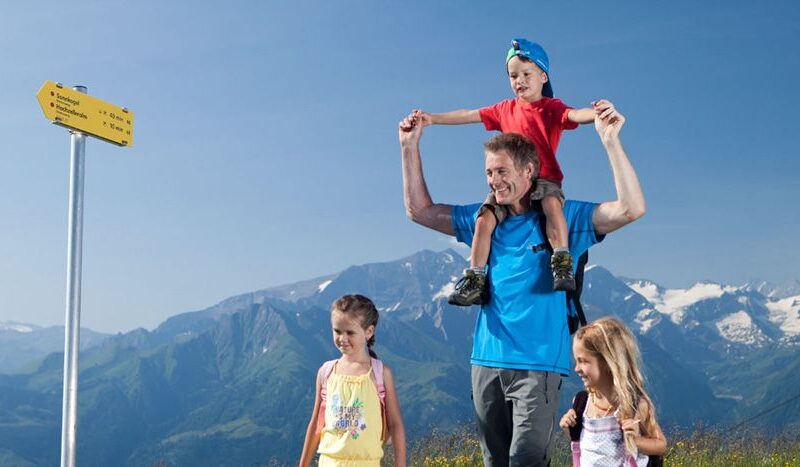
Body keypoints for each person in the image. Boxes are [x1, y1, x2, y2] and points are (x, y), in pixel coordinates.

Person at [398, 102, 644, 466]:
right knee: (494, 461)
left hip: (539, 365)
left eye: (501, 171)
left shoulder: (566, 218)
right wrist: (409, 146)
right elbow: (420, 211)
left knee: (526, 460)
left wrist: (610, 140)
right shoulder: (485, 221)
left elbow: (631, 209)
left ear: (529, 171)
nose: (493, 181)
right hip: (486, 361)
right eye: (488, 173)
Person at [414, 38, 601, 305]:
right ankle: (476, 277)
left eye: (527, 74)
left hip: (544, 177)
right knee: (484, 219)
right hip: (508, 184)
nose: (519, 80)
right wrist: (433, 118)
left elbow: (574, 115)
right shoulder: (505, 109)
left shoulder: (551, 108)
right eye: (513, 76)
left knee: (551, 205)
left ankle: (561, 259)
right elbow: (469, 114)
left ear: (543, 76)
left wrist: (596, 114)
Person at [299, 294, 407, 467]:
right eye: (337, 331)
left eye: (350, 332)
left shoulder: (380, 374)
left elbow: (396, 425)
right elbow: (315, 425)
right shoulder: (326, 372)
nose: (342, 339)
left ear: (369, 332)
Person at [559, 317, 667, 466]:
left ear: (608, 362)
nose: (576, 368)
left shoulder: (634, 405)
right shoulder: (582, 402)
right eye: (576, 361)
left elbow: (661, 446)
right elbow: (583, 444)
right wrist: (569, 429)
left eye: (583, 361)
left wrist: (635, 441)